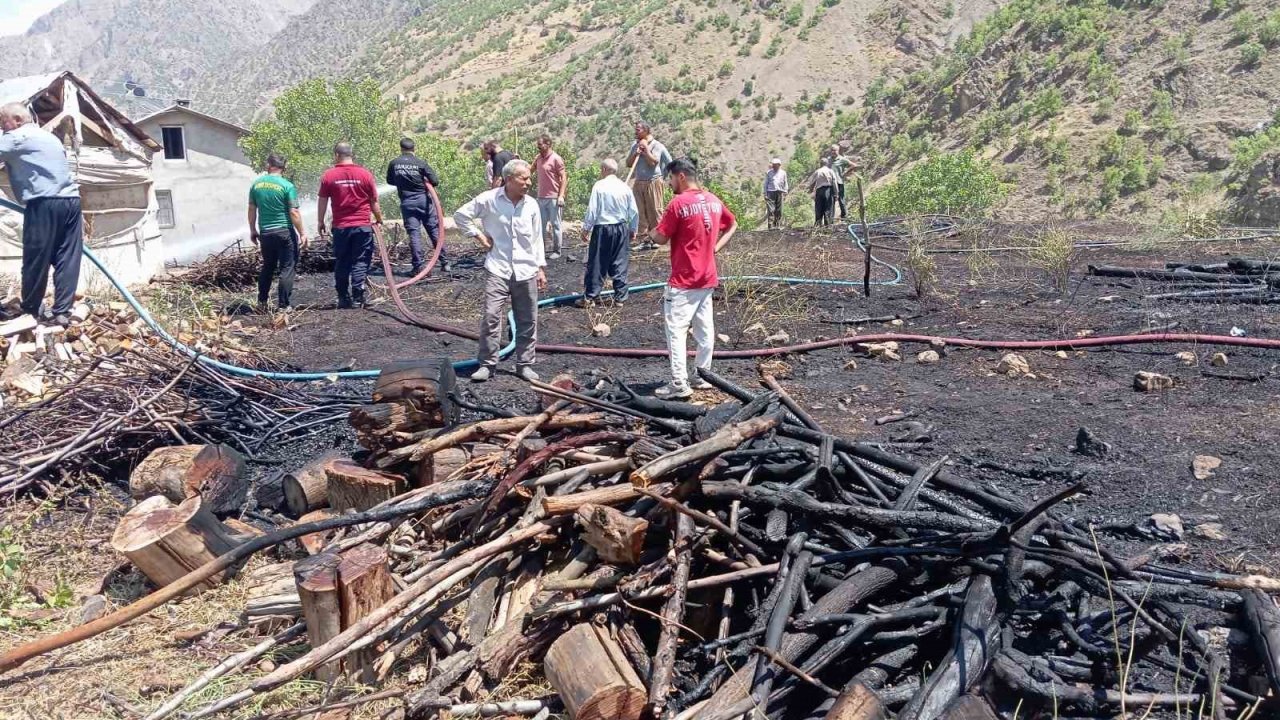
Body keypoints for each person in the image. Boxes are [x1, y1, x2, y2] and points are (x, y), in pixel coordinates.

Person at [453, 158, 547, 383]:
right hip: (498, 268)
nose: (529, 182)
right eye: (524, 178)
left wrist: (540, 268)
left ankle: (525, 364)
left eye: (529, 178)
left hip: (526, 269)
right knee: (491, 316)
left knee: (528, 319)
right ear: (509, 179)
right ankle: (487, 364)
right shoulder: (489, 200)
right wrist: (478, 236)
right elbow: (461, 215)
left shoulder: (531, 205)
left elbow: (537, 239)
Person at [651, 157, 737, 399]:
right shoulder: (713, 200)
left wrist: (649, 232)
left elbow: (661, 237)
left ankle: (679, 383)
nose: (669, 184)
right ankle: (702, 375)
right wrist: (716, 248)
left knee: (676, 332)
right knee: (705, 331)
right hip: (707, 277)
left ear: (680, 176)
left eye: (670, 178)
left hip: (683, 280)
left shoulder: (678, 203)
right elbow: (732, 224)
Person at [0, 103, 82, 326]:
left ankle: (31, 308)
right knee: (67, 257)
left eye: (2, 121)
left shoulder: (16, 137)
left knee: (36, 257)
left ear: (17, 120)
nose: (1, 126)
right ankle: (62, 311)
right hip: (71, 201)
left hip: (44, 202)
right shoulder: (49, 137)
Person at [317, 142, 382, 309]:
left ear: (336, 155)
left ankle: (343, 297)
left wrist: (320, 221)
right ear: (352, 155)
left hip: (341, 227)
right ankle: (358, 297)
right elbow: (374, 201)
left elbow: (322, 201)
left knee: (342, 261)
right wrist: (379, 219)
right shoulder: (365, 174)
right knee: (360, 260)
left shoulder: (329, 175)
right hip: (362, 226)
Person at [247, 153, 307, 312]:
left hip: (265, 233)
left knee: (268, 267)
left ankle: (262, 302)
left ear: (269, 165)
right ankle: (283, 305)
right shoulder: (287, 186)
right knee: (287, 268)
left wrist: (252, 229)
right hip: (284, 232)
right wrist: (302, 233)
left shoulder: (256, 185)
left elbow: (252, 208)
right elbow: (294, 212)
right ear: (284, 167)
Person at [578, 158, 637, 308]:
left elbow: (592, 210)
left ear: (604, 170)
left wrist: (586, 229)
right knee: (620, 262)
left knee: (597, 262)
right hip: (621, 228)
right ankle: (620, 298)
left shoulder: (599, 186)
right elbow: (633, 211)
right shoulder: (624, 187)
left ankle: (590, 297)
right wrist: (633, 229)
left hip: (603, 228)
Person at [387, 137, 446, 276]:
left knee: (414, 234)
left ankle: (418, 267)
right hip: (424, 202)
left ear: (401, 148)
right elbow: (435, 181)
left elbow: (390, 181)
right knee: (433, 231)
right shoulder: (420, 163)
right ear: (414, 148)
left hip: (407, 203)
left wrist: (403, 182)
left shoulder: (394, 163)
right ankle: (445, 262)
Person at [625, 121, 673, 245]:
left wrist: (646, 150)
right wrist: (635, 153)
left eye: (638, 130)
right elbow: (628, 163)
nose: (636, 132)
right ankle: (644, 240)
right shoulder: (635, 145)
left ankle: (657, 239)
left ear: (646, 131)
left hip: (653, 182)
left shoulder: (657, 145)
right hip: (639, 182)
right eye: (635, 129)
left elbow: (656, 162)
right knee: (640, 211)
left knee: (655, 211)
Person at [532, 134, 568, 259]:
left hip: (553, 197)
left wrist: (561, 196)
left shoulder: (556, 159)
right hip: (541, 197)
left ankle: (557, 251)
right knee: (540, 225)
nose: (538, 147)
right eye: (538, 145)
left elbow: (563, 178)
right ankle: (541, 250)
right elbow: (530, 170)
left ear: (548, 144)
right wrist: (518, 162)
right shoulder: (538, 158)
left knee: (556, 224)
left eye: (540, 145)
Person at [807, 158, 839, 227]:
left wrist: (811, 191)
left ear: (820, 164)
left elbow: (812, 183)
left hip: (819, 191)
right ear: (827, 163)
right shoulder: (830, 171)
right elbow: (834, 182)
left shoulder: (817, 171)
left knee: (819, 208)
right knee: (828, 208)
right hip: (828, 190)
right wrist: (836, 193)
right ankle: (828, 225)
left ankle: (818, 225)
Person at [763, 158, 789, 229]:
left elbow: (785, 182)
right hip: (770, 192)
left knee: (779, 210)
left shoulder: (783, 173)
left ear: (779, 165)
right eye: (773, 165)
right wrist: (765, 193)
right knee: (771, 210)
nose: (773, 166)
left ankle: (777, 225)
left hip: (780, 192)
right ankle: (770, 226)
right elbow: (765, 184)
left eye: (775, 165)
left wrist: (786, 190)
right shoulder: (769, 173)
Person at [828, 144, 853, 220]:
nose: (833, 152)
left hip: (839, 182)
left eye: (834, 150)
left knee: (841, 200)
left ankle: (844, 217)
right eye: (832, 150)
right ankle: (830, 219)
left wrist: (845, 173)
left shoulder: (842, 159)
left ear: (838, 151)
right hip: (830, 183)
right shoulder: (829, 159)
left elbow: (853, 165)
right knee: (831, 201)